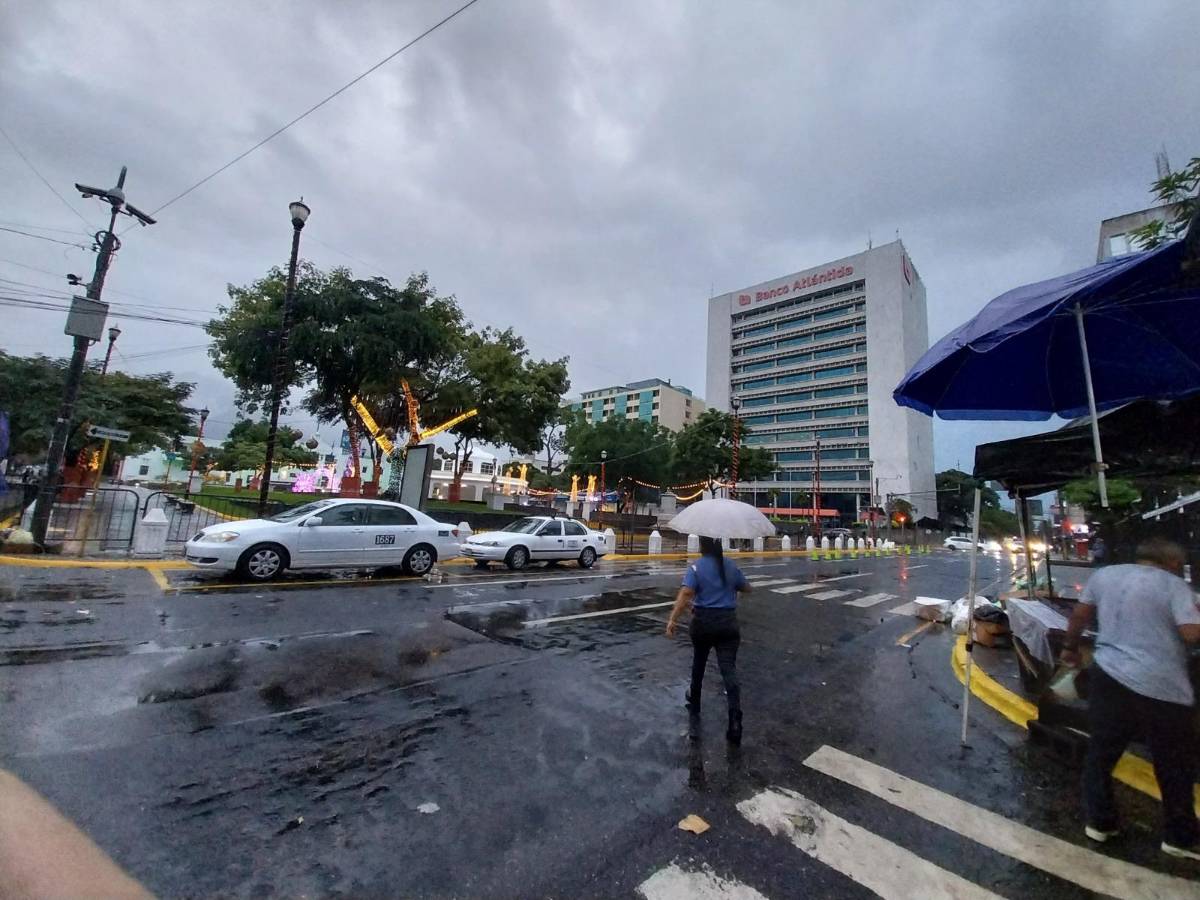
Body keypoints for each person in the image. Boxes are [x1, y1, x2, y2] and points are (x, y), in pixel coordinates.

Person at [1060, 537, 1200, 859]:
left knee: (1101, 753)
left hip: (1108, 675)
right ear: (1174, 563)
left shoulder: (1106, 575)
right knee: (1174, 762)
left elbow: (1079, 616)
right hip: (1161, 686)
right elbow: (1190, 633)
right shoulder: (1174, 586)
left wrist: (1069, 648)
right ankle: (1179, 838)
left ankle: (1100, 822)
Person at [666, 536, 751, 744]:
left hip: (703, 623)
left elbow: (686, 593)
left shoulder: (697, 567)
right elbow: (746, 587)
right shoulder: (730, 566)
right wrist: (732, 595)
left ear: (702, 546)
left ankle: (695, 699)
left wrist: (672, 619)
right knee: (728, 670)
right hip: (728, 624)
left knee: (699, 663)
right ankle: (735, 719)